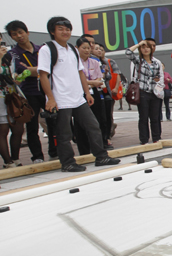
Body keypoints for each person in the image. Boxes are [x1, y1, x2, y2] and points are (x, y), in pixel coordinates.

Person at [38, 17, 119, 172]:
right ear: (52, 31)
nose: (65, 32)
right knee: (64, 133)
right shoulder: (47, 49)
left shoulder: (72, 50)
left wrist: (87, 93)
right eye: (60, 29)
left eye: (67, 29)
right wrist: (51, 98)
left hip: (78, 98)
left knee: (93, 126)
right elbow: (43, 75)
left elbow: (80, 73)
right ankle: (67, 162)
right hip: (60, 99)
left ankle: (101, 157)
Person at [5, 20, 57, 163]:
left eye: (21, 32)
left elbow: (51, 68)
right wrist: (40, 70)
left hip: (46, 91)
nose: (19, 36)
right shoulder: (13, 54)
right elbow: (24, 71)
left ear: (27, 32)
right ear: (12, 37)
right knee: (32, 126)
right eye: (14, 34)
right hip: (28, 93)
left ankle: (54, 151)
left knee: (53, 123)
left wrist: (33, 70)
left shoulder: (42, 49)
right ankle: (37, 156)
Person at [126, 39, 164, 144]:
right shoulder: (138, 61)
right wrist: (138, 44)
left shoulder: (157, 62)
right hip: (142, 92)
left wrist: (159, 89)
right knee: (143, 117)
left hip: (155, 93)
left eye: (148, 47)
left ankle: (156, 138)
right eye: (143, 47)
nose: (146, 49)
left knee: (155, 117)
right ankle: (144, 139)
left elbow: (160, 77)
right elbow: (128, 52)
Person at [0, 36, 25, 168]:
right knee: (2, 131)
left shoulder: (8, 57)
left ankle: (15, 158)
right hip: (0, 100)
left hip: (13, 97)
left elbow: (13, 74)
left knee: (18, 129)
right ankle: (7, 161)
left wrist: (17, 78)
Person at [95, 43, 121, 139]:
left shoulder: (109, 62)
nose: (99, 51)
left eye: (101, 49)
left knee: (108, 114)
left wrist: (116, 88)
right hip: (97, 91)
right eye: (97, 49)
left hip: (107, 91)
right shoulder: (92, 62)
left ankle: (108, 133)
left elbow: (115, 75)